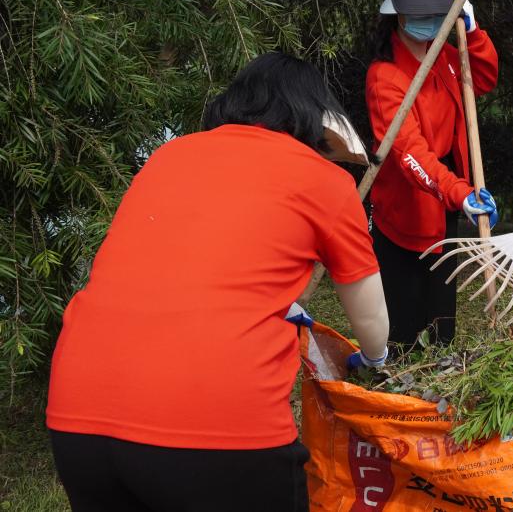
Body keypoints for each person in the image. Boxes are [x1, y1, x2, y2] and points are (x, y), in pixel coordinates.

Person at [47, 53, 389, 512]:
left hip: (78, 419)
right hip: (219, 434)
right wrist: (374, 358)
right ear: (315, 119)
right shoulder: (325, 179)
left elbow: (183, 263)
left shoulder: (169, 155)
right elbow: (371, 320)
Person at [366, 0, 499, 348]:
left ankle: (440, 395)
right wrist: (460, 193)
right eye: (418, 14)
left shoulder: (442, 52)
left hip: (446, 201)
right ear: (398, 15)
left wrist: (473, 36)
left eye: (435, 14)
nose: (427, 22)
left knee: (442, 319)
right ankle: (396, 397)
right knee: (404, 328)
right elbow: (410, 153)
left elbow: (484, 81)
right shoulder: (384, 77)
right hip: (406, 204)